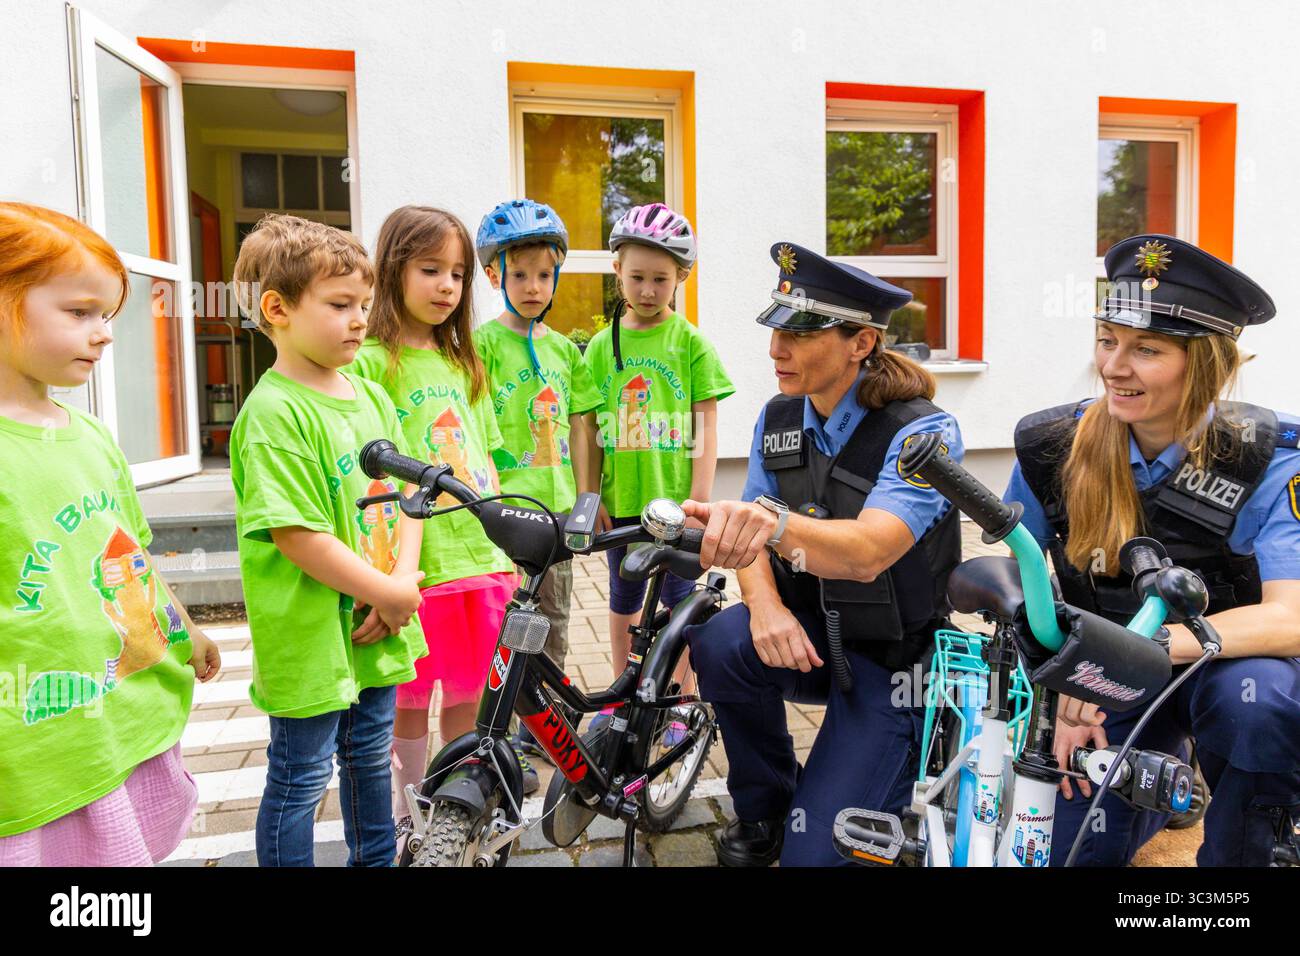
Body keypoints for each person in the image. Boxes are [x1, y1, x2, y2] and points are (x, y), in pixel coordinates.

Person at [1006, 234, 1300, 866]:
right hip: (1096, 679)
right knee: (1072, 855)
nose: (1115, 366)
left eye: (1147, 349)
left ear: (1207, 364)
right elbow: (1017, 571)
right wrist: (1063, 685)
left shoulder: (1271, 460)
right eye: (1108, 341)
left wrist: (1135, 654)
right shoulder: (1051, 445)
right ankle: (1163, 786)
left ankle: (1246, 848)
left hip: (1219, 672)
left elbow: (1291, 617)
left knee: (1261, 702)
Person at [684, 242, 964, 866]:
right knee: (720, 642)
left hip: (894, 661)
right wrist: (764, 608)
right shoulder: (778, 417)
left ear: (861, 342)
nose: (776, 349)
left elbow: (868, 552)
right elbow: (753, 542)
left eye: (801, 331)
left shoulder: (922, 432)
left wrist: (764, 523)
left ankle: (894, 756)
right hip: (809, 635)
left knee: (818, 856)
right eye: (776, 329)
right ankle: (765, 807)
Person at [0, 203, 220, 866]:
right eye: (78, 312)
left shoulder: (89, 434)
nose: (103, 334)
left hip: (118, 726)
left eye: (107, 316)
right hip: (34, 751)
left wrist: (187, 629)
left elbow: (130, 555)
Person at [230, 214, 426, 866]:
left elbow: (412, 497)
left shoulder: (371, 396)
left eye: (363, 305)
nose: (359, 320)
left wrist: (399, 586)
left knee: (372, 756)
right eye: (340, 305)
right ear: (277, 309)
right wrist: (388, 593)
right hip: (311, 636)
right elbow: (298, 535)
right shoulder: (274, 413)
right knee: (301, 776)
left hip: (377, 618)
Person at [345, 206, 526, 808]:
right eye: (430, 269)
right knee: (410, 699)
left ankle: (458, 803)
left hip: (478, 554)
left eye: (457, 274)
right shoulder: (371, 363)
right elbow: (364, 478)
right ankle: (407, 811)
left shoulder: (464, 361)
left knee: (471, 694)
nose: (447, 285)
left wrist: (508, 543)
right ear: (393, 270)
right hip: (416, 566)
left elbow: (485, 460)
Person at [584, 202, 734, 735]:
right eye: (637, 277)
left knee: (681, 606)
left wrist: (699, 499)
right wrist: (589, 496)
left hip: (677, 508)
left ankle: (679, 700)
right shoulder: (601, 348)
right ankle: (620, 691)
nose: (648, 290)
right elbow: (587, 427)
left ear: (681, 279)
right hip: (623, 503)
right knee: (623, 601)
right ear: (617, 272)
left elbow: (706, 425)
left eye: (661, 279)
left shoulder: (690, 344)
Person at [473, 199, 602, 763]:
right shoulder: (480, 345)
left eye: (544, 274)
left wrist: (585, 498)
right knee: (502, 622)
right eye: (518, 273)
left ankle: (549, 727)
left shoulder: (563, 351)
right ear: (493, 273)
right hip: (500, 510)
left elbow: (582, 427)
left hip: (553, 512)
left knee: (553, 619)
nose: (533, 285)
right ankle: (493, 730)